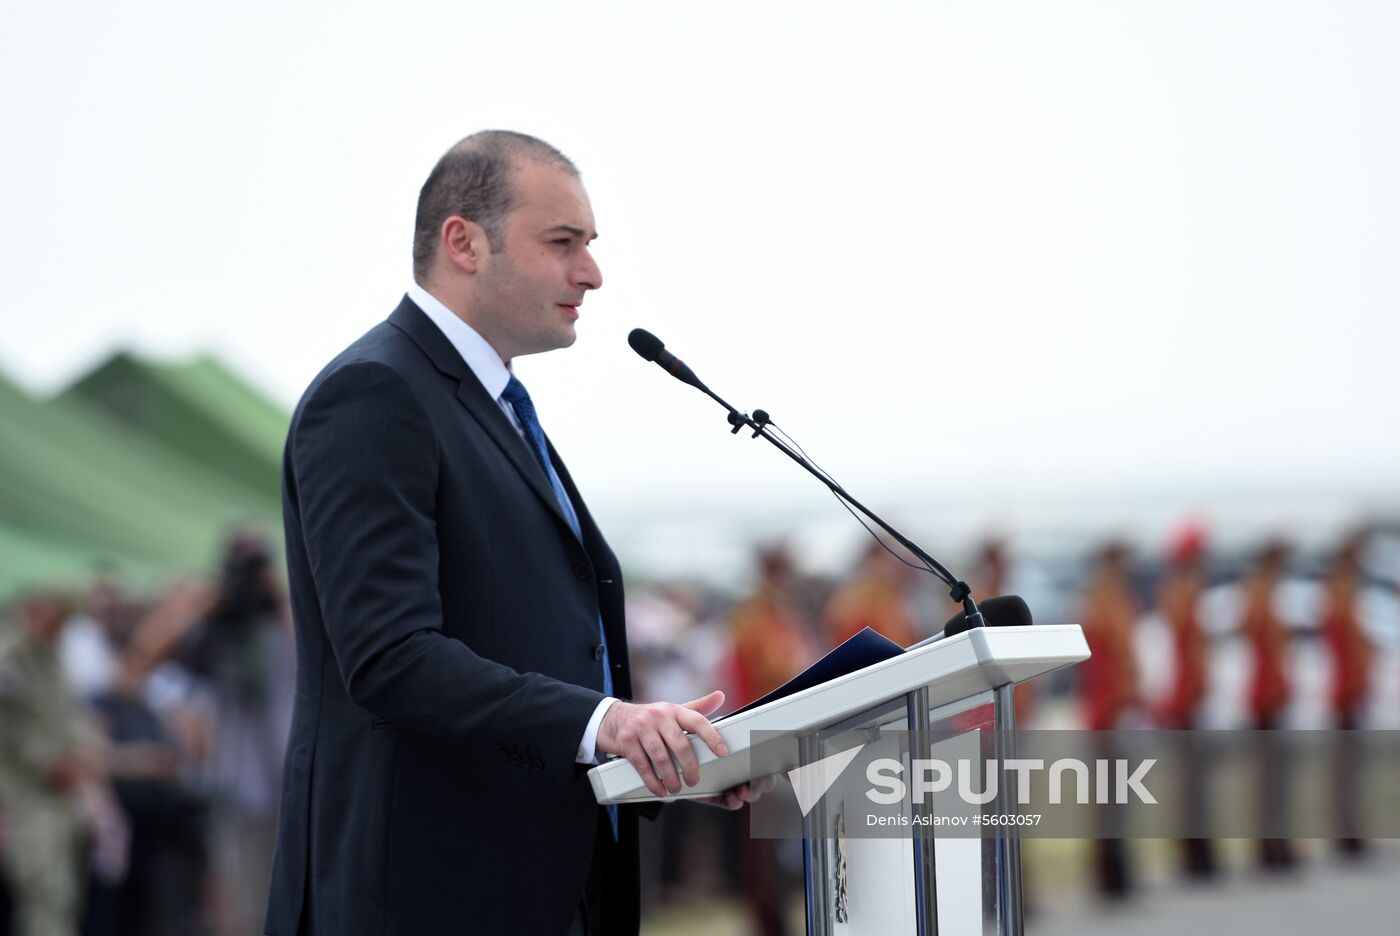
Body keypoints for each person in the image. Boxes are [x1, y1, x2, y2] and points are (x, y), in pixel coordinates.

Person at [265, 131, 756, 936]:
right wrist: (606, 723)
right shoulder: (373, 393)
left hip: (545, 883)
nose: (592, 274)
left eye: (589, 246)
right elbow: (390, 657)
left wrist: (655, 751)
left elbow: (542, 645)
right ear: (463, 242)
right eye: (563, 243)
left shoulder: (492, 405)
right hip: (424, 899)